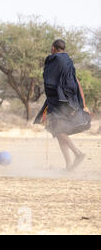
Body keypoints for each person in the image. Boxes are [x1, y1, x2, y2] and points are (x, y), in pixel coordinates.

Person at [34, 39, 91, 171]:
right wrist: (81, 103)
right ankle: (69, 165)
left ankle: (78, 153)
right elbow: (75, 82)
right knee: (60, 131)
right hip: (68, 101)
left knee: (57, 129)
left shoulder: (54, 59)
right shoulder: (68, 61)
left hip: (59, 101)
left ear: (53, 48)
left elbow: (49, 79)